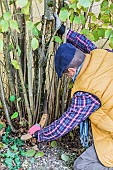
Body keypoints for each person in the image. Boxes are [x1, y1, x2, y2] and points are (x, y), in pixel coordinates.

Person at [28, 16, 113, 169]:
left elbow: (65, 123)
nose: (69, 78)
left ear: (72, 70)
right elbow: (85, 43)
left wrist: (40, 134)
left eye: (67, 75)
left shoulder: (87, 93)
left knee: (81, 165)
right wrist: (63, 30)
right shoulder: (102, 55)